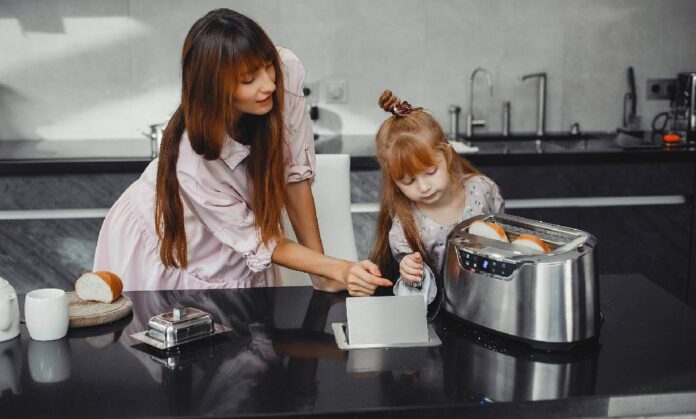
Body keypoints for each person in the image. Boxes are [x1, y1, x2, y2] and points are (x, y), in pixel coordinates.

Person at [93, 9, 390, 296]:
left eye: (267, 66)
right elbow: (258, 240)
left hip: (235, 234)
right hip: (168, 238)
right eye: (248, 80)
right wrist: (340, 268)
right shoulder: (193, 163)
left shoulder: (285, 70)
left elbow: (294, 175)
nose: (269, 85)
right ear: (214, 89)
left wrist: (322, 274)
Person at [370, 90, 505, 286]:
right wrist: (407, 267)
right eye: (408, 182)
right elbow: (411, 275)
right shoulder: (405, 221)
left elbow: (502, 239)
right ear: (394, 181)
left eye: (431, 171)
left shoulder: (482, 191)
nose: (424, 187)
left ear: (447, 155)